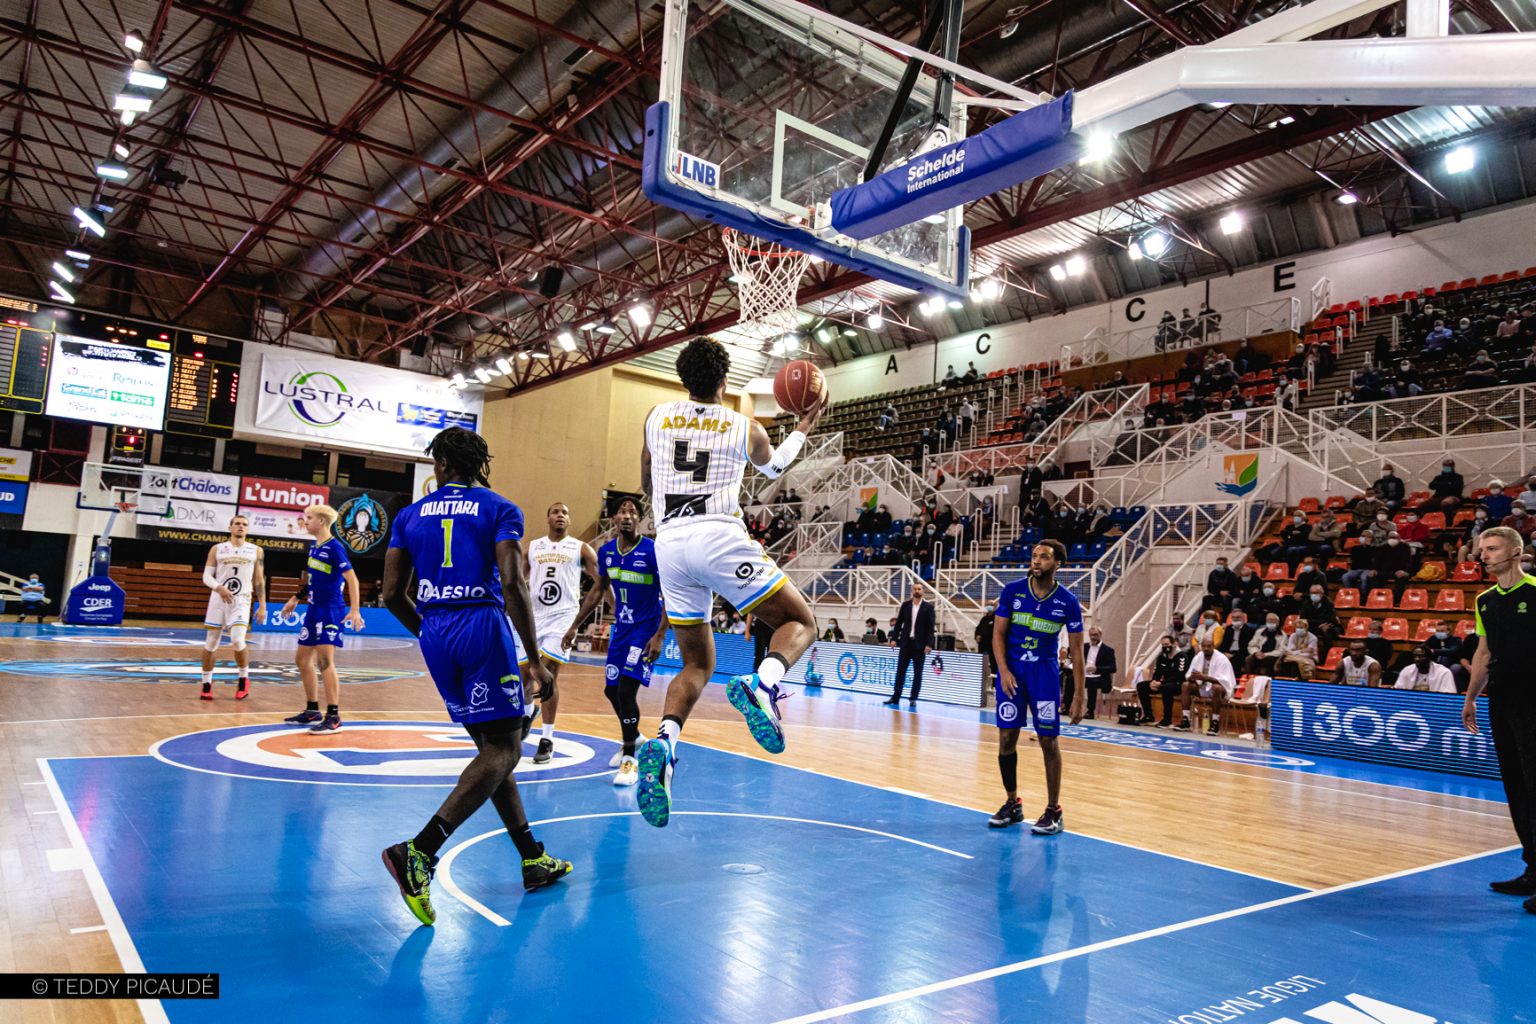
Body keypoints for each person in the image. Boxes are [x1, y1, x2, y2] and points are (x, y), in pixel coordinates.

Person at [380, 426, 570, 926]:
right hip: (482, 627)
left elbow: (391, 594)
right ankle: (419, 851)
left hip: (435, 633)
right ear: (478, 464)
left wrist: (429, 629)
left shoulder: (407, 515)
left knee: (494, 749)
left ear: (440, 464)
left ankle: (532, 858)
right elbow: (512, 582)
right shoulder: (499, 508)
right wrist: (533, 658)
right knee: (504, 748)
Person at [634, 337, 826, 828]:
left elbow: (647, 478)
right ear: (724, 380)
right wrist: (805, 425)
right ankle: (763, 685)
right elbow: (776, 466)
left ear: (683, 379)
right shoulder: (745, 427)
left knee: (696, 663)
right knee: (801, 622)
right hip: (717, 533)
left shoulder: (655, 417)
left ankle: (664, 741)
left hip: (668, 543)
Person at [560, 497, 667, 786]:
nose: (627, 516)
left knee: (626, 692)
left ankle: (630, 759)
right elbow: (596, 593)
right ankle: (634, 737)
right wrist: (573, 627)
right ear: (614, 519)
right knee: (611, 690)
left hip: (645, 630)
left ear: (640, 520)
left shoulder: (653, 551)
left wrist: (659, 635)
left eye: (633, 512)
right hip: (621, 629)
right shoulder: (606, 553)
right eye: (622, 511)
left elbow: (670, 594)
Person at [1461, 526, 1536, 910]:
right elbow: (1483, 654)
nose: (1483, 555)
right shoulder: (1486, 600)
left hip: (1533, 699)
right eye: (1481, 549)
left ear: (1516, 552)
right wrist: (1472, 696)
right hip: (1502, 699)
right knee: (1517, 787)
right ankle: (1532, 870)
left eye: (1491, 549)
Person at [988, 540, 1084, 834]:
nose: (1037, 560)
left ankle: (1054, 810)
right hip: (1013, 675)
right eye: (1034, 556)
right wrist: (1003, 670)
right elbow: (998, 635)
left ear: (1058, 564)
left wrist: (1079, 695)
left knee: (1048, 741)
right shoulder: (1012, 591)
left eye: (1044, 557)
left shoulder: (1068, 601)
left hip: (1044, 675)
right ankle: (1012, 803)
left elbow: (1078, 653)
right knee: (1006, 740)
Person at [519, 502, 600, 763]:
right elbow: (518, 581)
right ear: (547, 518)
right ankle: (528, 712)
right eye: (555, 512)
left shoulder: (580, 548)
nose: (560, 516)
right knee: (524, 675)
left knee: (546, 674)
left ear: (569, 519)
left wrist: (616, 608)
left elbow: (601, 582)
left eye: (565, 512)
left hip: (563, 617)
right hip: (533, 618)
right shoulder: (532, 547)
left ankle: (547, 738)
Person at [279, 504, 363, 732]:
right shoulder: (314, 547)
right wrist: (296, 597)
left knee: (325, 662)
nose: (305, 521)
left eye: (309, 517)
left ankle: (334, 715)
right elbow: (314, 579)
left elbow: (352, 580)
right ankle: (312, 709)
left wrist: (355, 610)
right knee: (302, 659)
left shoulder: (335, 547)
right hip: (313, 609)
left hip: (330, 611)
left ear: (322, 522)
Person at [198, 514, 266, 701]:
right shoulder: (217, 549)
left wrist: (262, 605)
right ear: (230, 527)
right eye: (237, 524)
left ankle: (243, 679)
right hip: (219, 598)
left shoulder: (256, 551)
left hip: (241, 600)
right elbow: (206, 576)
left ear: (248, 529)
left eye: (244, 524)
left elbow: (259, 580)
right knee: (211, 643)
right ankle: (206, 684)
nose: (241, 527)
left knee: (237, 639)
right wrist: (219, 588)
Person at [885, 582, 937, 706]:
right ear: (912, 591)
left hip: (920, 645)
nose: (917, 591)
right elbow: (898, 624)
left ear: (922, 591)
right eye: (915, 589)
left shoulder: (929, 607)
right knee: (900, 671)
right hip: (905, 644)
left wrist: (929, 644)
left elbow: (930, 628)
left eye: (919, 589)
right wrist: (894, 639)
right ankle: (895, 696)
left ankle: (913, 698)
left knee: (917, 673)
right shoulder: (905, 605)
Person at [1175, 636, 1236, 735]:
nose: (1206, 648)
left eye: (1208, 646)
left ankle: (1215, 722)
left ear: (1214, 646)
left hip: (1220, 690)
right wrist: (1192, 677)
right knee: (1185, 685)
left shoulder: (1222, 659)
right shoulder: (1198, 656)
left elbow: (1224, 681)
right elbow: (1189, 675)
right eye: (1203, 646)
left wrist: (1205, 677)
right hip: (1202, 687)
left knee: (1216, 687)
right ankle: (1186, 720)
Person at [1140, 634, 1194, 727]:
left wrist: (1161, 683)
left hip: (1178, 684)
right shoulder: (1162, 656)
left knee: (1166, 688)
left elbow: (1179, 675)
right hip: (1163, 683)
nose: (1165, 647)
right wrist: (1154, 682)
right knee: (1141, 686)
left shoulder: (1181, 656)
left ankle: (1167, 719)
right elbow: (1157, 672)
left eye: (1167, 644)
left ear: (1174, 644)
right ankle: (1148, 715)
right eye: (1163, 645)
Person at [1079, 625, 1116, 720]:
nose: (1093, 637)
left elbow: (1113, 668)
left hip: (1100, 678)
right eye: (1091, 635)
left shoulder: (1108, 650)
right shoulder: (1084, 647)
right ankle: (1067, 706)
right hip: (1085, 675)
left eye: (1095, 635)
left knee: (1092, 682)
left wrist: (1097, 669)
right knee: (1071, 679)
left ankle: (1090, 711)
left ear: (1100, 635)